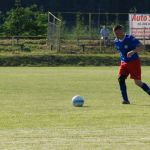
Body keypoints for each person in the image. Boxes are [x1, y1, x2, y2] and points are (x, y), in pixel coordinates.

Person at [113, 24, 150, 104]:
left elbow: (142, 46)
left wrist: (133, 51)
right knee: (120, 79)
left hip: (134, 62)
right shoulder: (116, 41)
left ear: (122, 31)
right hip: (124, 63)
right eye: (115, 34)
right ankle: (125, 100)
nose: (117, 35)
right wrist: (123, 59)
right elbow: (121, 51)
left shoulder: (130, 38)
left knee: (138, 82)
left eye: (118, 33)